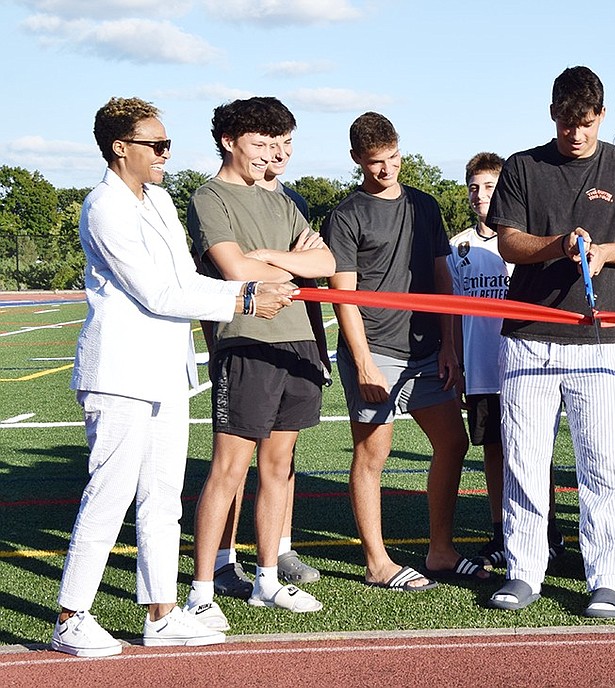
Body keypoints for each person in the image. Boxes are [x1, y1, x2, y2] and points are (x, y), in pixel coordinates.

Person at [53, 97, 294, 657]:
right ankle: (71, 616)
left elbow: (184, 276)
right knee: (109, 494)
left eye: (167, 144)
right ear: (121, 148)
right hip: (118, 372)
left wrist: (244, 293)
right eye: (155, 145)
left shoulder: (159, 200)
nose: (166, 154)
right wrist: (246, 297)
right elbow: (157, 291)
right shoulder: (104, 208)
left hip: (164, 370)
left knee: (162, 496)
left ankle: (161, 614)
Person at [485, 66, 615, 618]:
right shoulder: (522, 166)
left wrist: (605, 253)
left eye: (585, 123)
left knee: (605, 462)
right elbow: (509, 241)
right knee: (524, 460)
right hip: (529, 336)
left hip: (599, 337)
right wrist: (559, 246)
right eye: (566, 122)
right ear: (552, 113)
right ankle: (523, 571)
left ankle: (605, 576)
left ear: (601, 117)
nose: (575, 134)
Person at [323, 112, 488, 592]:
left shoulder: (424, 205)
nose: (386, 169)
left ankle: (440, 551)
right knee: (373, 453)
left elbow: (442, 280)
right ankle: (377, 562)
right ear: (357, 159)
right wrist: (363, 361)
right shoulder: (346, 214)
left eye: (392, 158)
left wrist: (450, 346)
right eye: (375, 162)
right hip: (376, 350)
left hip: (427, 350)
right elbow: (343, 295)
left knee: (453, 443)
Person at [186, 97, 334, 624]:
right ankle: (201, 592)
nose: (270, 154)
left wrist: (270, 259)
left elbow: (325, 262)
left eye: (278, 144)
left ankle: (267, 580)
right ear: (229, 141)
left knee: (279, 469)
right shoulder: (209, 197)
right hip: (246, 339)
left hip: (298, 341)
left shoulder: (282, 200)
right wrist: (282, 264)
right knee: (228, 469)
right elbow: (231, 268)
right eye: (259, 143)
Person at [447, 152, 566, 570]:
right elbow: (452, 309)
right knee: (495, 450)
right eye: (475, 187)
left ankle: (549, 530)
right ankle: (501, 530)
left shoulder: (523, 242)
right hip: (482, 368)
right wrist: (457, 362)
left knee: (538, 450)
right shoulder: (457, 246)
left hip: (528, 362)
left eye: (491, 187)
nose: (482, 195)